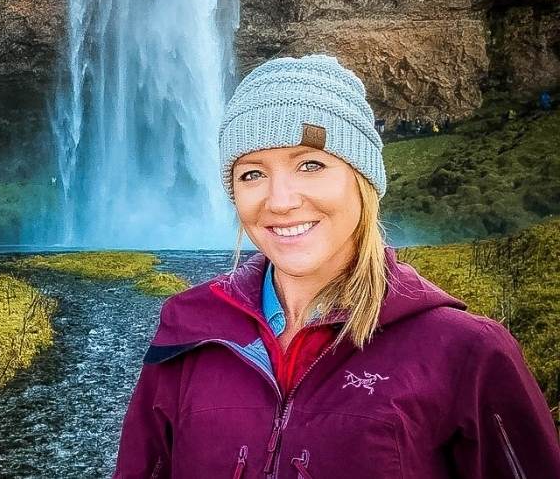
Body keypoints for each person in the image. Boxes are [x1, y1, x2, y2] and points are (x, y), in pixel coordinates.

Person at [112, 54, 560, 478]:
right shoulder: (187, 329)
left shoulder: (467, 352)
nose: (281, 200)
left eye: (310, 164)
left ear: (362, 181)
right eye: (252, 173)